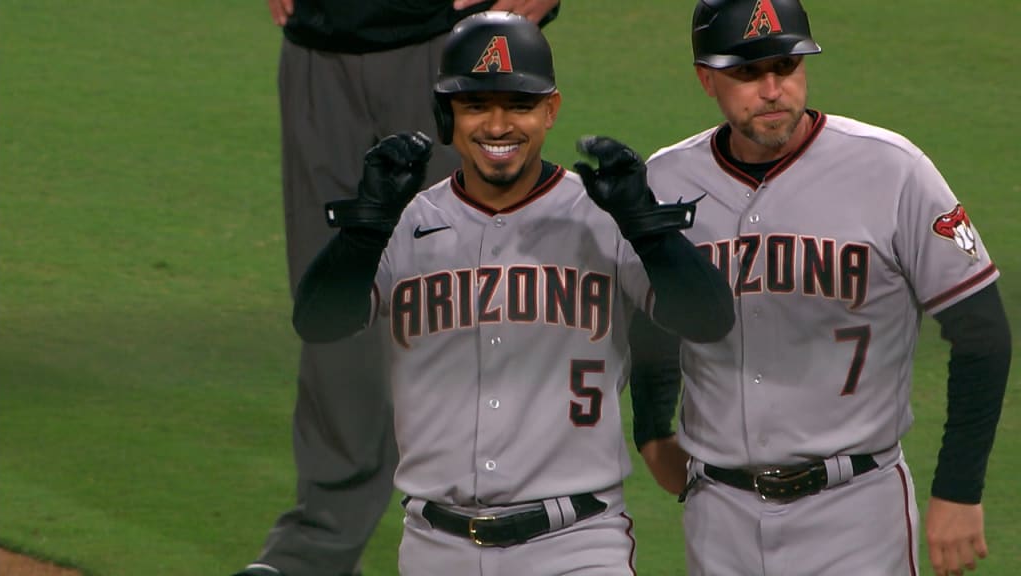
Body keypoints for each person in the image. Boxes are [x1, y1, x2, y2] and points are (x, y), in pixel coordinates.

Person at [289, 10, 735, 575]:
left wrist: (647, 227)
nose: (498, 126)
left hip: (576, 545)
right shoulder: (406, 222)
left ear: (551, 110)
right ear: (446, 114)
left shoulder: (601, 216)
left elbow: (709, 319)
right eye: (476, 105)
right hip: (436, 547)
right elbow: (319, 322)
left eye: (519, 105)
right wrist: (367, 226)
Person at [639, 1, 1013, 575]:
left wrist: (958, 491)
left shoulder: (893, 170)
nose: (772, 89)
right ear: (706, 78)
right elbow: (649, 313)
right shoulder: (664, 181)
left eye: (786, 67)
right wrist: (652, 427)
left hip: (858, 513)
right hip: (720, 517)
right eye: (746, 73)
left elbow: (981, 331)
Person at [235, 2, 561, 576]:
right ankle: (318, 547)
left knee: (464, 303)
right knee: (333, 308)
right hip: (317, 47)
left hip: (443, 46)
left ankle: (503, 544)